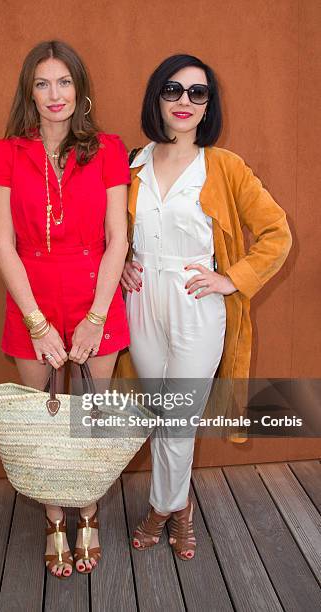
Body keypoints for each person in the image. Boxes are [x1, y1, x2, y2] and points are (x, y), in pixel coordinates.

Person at [119, 54, 292, 561]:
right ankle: (179, 504)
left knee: (179, 418)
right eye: (173, 90)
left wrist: (230, 278)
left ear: (208, 104)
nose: (184, 102)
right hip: (142, 299)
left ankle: (166, 508)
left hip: (196, 301)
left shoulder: (224, 166)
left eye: (198, 93)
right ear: (157, 96)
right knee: (160, 410)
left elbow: (277, 234)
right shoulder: (132, 162)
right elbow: (110, 233)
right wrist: (125, 262)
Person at [0, 40, 130, 578]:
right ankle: (53, 519)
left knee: (91, 415)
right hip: (32, 300)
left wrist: (96, 318)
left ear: (80, 89)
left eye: (64, 82)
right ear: (29, 90)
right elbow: (3, 245)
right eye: (43, 83)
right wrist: (37, 323)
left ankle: (88, 512)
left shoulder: (109, 148)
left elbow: (118, 239)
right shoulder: (6, 151)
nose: (55, 94)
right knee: (44, 420)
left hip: (98, 296)